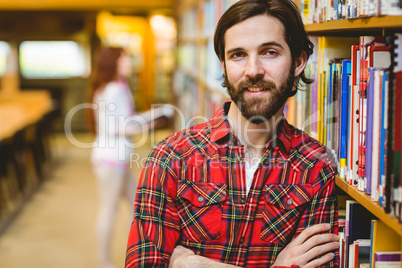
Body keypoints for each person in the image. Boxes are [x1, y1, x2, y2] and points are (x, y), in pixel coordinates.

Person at [125, 0, 339, 267]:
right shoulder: (170, 156)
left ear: (298, 63)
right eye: (238, 55)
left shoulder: (317, 166)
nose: (253, 71)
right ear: (224, 66)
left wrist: (195, 264)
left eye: (270, 52)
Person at [87, 46, 150, 268]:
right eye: (126, 59)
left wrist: (145, 119)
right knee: (109, 210)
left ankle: (137, 253)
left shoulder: (115, 87)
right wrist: (146, 124)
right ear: (114, 62)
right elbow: (115, 127)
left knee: (137, 207)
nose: (130, 63)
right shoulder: (113, 89)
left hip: (118, 159)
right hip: (111, 160)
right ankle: (104, 261)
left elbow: (126, 119)